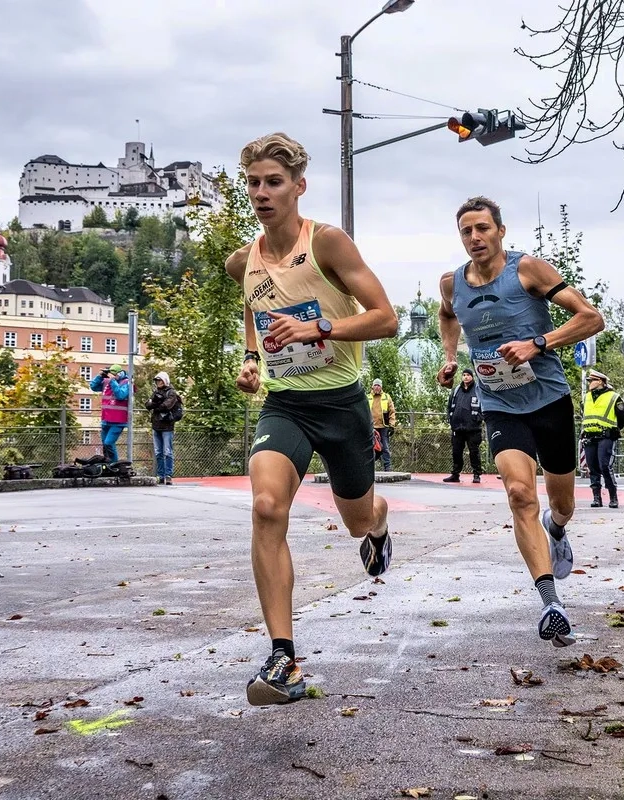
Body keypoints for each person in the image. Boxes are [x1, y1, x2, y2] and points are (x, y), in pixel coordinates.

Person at [225, 132, 398, 705]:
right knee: (266, 507)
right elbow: (253, 306)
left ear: (299, 187)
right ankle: (283, 659)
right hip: (287, 405)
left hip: (343, 404)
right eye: (253, 182)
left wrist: (318, 327)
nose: (262, 192)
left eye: (274, 182)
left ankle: (378, 519)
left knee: (355, 520)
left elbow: (386, 318)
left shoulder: (327, 243)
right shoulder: (241, 261)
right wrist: (252, 359)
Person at [437, 195, 604, 648]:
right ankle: (551, 603)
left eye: (483, 228)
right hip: (499, 404)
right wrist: (451, 358)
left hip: (549, 400)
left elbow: (592, 318)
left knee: (563, 500)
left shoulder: (528, 270)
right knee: (517, 493)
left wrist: (538, 343)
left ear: (500, 231)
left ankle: (558, 527)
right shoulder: (452, 283)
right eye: (467, 231)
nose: (475, 238)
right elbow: (448, 315)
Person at [582, 369, 624, 508]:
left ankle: (613, 497)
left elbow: (623, 416)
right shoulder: (587, 397)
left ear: (601, 381)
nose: (590, 383)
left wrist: (614, 429)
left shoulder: (613, 397)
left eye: (592, 381)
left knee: (605, 465)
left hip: (606, 436)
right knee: (592, 467)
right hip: (590, 435)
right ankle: (596, 497)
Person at [444, 367, 484, 483]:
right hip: (458, 428)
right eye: (464, 375)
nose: (465, 377)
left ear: (472, 377)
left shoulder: (478, 390)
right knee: (456, 452)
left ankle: (476, 474)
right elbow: (450, 405)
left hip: (473, 428)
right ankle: (455, 474)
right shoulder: (456, 390)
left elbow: (484, 406)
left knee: (474, 452)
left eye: (468, 375)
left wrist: (477, 419)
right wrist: (451, 420)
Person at [145, 371, 181, 485]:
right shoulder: (155, 392)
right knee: (158, 452)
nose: (158, 383)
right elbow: (147, 405)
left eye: (160, 380)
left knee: (167, 451)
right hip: (156, 425)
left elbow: (166, 406)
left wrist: (155, 404)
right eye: (157, 381)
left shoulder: (171, 393)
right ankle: (160, 475)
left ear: (165, 380)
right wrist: (156, 403)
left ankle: (168, 475)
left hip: (167, 426)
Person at [89, 363, 130, 463]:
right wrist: (100, 376)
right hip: (106, 419)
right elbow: (93, 387)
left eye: (113, 374)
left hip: (118, 420)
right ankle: (108, 464)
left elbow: (121, 395)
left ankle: (114, 465)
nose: (111, 376)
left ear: (119, 374)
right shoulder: (107, 382)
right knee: (105, 445)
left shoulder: (126, 383)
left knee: (109, 443)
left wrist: (113, 381)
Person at [369, 379, 398, 471]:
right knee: (370, 448)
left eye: (379, 385)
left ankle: (387, 467)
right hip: (371, 427)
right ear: (372, 387)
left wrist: (392, 425)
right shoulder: (368, 397)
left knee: (385, 447)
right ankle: (369, 467)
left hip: (383, 426)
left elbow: (392, 412)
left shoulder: (386, 397)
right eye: (375, 385)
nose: (377, 387)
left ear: (381, 387)